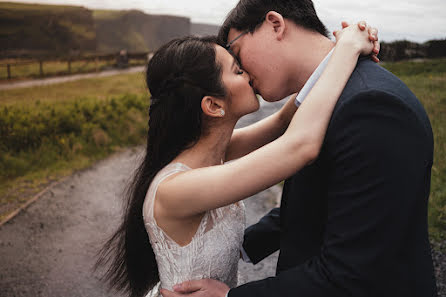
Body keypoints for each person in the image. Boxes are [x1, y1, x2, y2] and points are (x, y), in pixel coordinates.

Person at [163, 1, 437, 297]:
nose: (240, 69)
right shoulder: (328, 100)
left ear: (275, 24)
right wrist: (229, 244)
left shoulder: (371, 106)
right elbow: (319, 202)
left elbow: (354, 271)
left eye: (236, 51)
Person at [96, 21, 378, 297]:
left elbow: (282, 120)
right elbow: (300, 146)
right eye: (238, 71)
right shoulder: (176, 189)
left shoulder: (212, 153)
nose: (248, 75)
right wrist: (346, 50)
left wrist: (329, 57)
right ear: (214, 105)